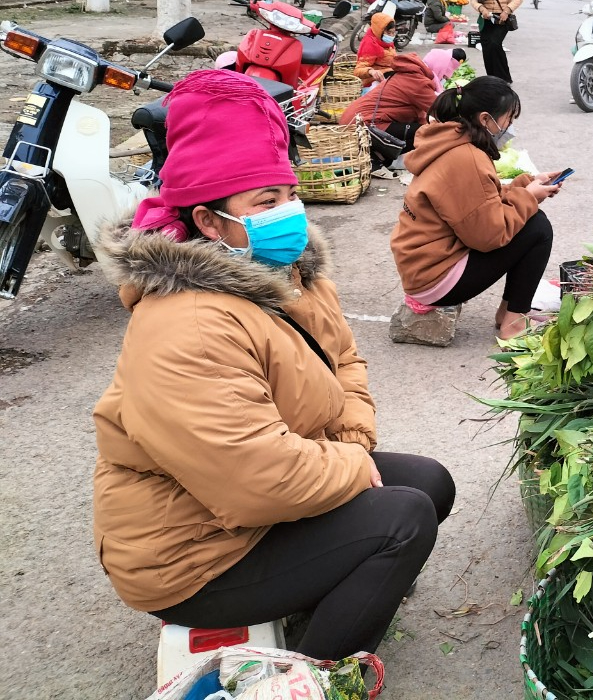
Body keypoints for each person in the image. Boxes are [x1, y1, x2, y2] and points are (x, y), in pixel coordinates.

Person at [93, 69, 454, 663]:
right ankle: (312, 674)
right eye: (266, 202)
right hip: (195, 553)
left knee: (428, 481)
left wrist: (354, 446)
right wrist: (350, 466)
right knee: (403, 518)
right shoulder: (186, 325)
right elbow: (253, 477)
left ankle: (327, 588)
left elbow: (346, 363)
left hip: (261, 503)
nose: (289, 212)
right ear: (209, 222)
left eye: (289, 194)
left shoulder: (292, 274)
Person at [391, 76, 564, 340]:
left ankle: (508, 313)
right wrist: (529, 198)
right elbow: (489, 235)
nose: (509, 126)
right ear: (485, 119)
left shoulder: (449, 143)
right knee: (537, 227)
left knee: (530, 219)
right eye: (508, 119)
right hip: (434, 277)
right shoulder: (466, 157)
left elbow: (480, 201)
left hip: (422, 265)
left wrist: (528, 185)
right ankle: (513, 323)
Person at [341, 52, 439, 178]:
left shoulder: (401, 77)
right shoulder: (416, 81)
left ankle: (377, 157)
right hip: (363, 123)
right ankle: (374, 161)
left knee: (420, 130)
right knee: (427, 132)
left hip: (353, 121)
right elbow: (440, 109)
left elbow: (420, 114)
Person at [470, 0, 523, 83]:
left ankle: (503, 78)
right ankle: (492, 78)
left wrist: (507, 10)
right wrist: (481, 8)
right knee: (487, 47)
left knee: (495, 43)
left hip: (502, 18)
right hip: (486, 17)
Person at [355, 12, 397, 87]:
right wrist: (371, 72)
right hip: (374, 83)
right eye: (388, 32)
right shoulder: (370, 45)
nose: (391, 35)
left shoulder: (387, 43)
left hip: (389, 76)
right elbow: (358, 70)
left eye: (393, 33)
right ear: (380, 31)